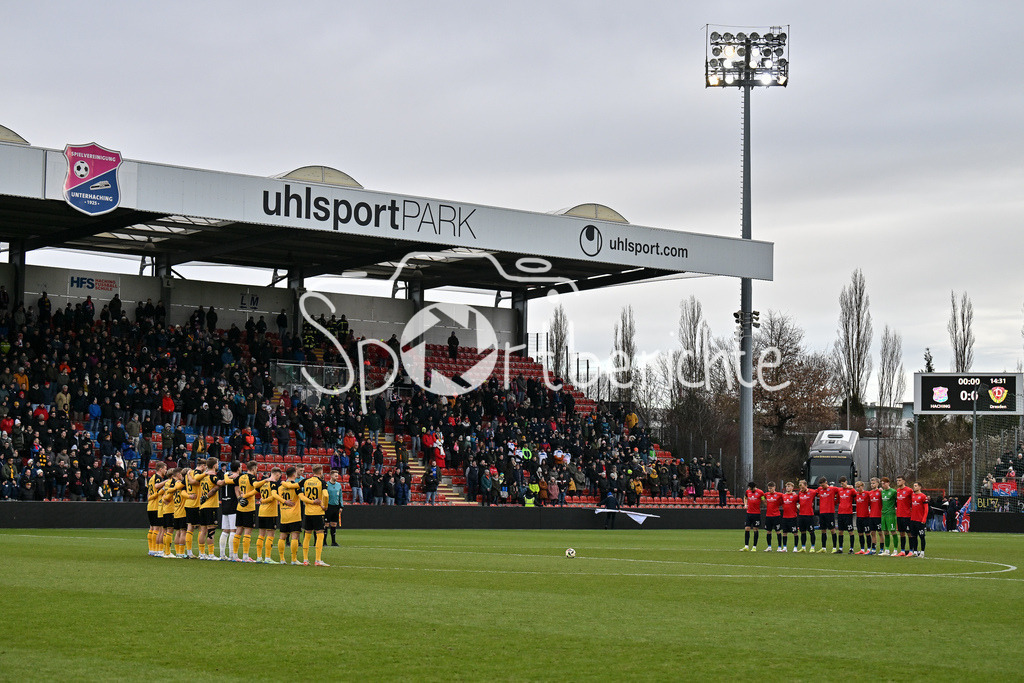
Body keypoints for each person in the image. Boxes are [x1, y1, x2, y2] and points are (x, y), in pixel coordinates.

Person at [298, 464, 330, 566]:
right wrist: (324, 505)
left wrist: (310, 501)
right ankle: (318, 560)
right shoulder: (322, 482)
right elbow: (325, 495)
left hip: (307, 512)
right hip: (318, 512)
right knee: (320, 534)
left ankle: (305, 560)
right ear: (320, 472)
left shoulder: (306, 481)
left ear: (313, 471)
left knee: (307, 535)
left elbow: (298, 492)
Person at [255, 467, 286, 564]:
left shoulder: (264, 483)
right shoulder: (273, 483)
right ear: (277, 474)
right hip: (270, 512)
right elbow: (273, 497)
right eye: (279, 476)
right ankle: (267, 557)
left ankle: (259, 557)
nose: (279, 478)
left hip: (261, 511)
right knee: (270, 535)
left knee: (261, 535)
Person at [234, 461, 260, 562]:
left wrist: (240, 497)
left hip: (240, 506)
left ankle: (235, 556)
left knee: (238, 531)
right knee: (247, 532)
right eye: (256, 468)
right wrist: (246, 495)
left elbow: (235, 486)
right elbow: (257, 488)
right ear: (253, 469)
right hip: (249, 507)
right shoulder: (252, 478)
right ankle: (245, 556)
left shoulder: (241, 477)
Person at [277, 466, 302, 565]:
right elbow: (301, 497)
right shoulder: (296, 486)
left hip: (284, 514)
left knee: (282, 536)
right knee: (295, 536)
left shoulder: (280, 487)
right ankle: (294, 559)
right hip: (294, 515)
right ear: (294, 474)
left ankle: (282, 559)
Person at [146, 463, 167, 556]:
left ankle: (151, 549)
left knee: (152, 527)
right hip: (156, 505)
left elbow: (148, 494)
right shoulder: (157, 477)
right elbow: (157, 486)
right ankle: (156, 549)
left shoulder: (151, 478)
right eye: (165, 469)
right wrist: (167, 481)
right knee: (157, 528)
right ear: (161, 469)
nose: (166, 470)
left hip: (150, 505)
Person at [816, 478, 839, 553]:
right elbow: (812, 492)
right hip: (822, 513)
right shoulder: (820, 489)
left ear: (826, 482)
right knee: (823, 530)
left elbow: (841, 491)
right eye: (821, 485)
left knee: (832, 530)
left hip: (830, 512)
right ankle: (823, 548)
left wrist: (835, 502)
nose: (822, 487)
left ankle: (834, 547)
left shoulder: (833, 489)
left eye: (823, 485)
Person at [740, 481, 764, 551]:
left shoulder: (760, 492)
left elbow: (763, 500)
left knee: (755, 529)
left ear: (754, 487)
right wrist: (745, 504)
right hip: (749, 513)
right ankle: (746, 546)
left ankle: (754, 547)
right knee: (747, 528)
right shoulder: (747, 491)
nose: (750, 489)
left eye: (751, 488)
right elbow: (745, 497)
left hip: (756, 513)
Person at [796, 480, 818, 552]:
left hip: (809, 515)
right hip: (801, 515)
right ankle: (803, 547)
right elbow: (797, 501)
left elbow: (820, 492)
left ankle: (812, 547)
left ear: (806, 486)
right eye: (800, 487)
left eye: (802, 487)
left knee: (811, 531)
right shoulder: (800, 493)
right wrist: (798, 505)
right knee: (802, 532)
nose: (801, 489)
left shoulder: (812, 492)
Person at [835, 477, 856, 554]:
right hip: (840, 513)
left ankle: (851, 548)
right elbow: (837, 501)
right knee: (840, 531)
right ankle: (840, 548)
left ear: (846, 482)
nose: (842, 484)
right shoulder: (839, 491)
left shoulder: (851, 490)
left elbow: (857, 496)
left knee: (850, 531)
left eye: (843, 483)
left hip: (848, 513)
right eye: (841, 483)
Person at [894, 476, 914, 557]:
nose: (898, 482)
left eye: (899, 480)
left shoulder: (909, 490)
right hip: (899, 515)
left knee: (909, 533)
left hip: (907, 515)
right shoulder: (897, 491)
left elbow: (914, 500)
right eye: (897, 480)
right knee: (901, 533)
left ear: (904, 481)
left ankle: (911, 550)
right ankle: (902, 550)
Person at [878, 477, 898, 556]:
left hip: (891, 514)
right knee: (885, 532)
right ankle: (887, 550)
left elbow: (898, 501)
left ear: (888, 483)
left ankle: (895, 550)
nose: (883, 485)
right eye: (882, 483)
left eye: (884, 483)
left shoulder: (893, 491)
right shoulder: (882, 492)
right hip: (884, 514)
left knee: (893, 531)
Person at [909, 482, 929, 557]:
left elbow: (926, 509)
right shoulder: (912, 496)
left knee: (922, 536)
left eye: (916, 486)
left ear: (920, 487)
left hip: (920, 520)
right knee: (914, 536)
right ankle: (915, 551)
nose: (914, 487)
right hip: (912, 520)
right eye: (913, 486)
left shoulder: (923, 496)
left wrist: (924, 519)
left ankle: (922, 551)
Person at [762, 482, 783, 552]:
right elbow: (762, 497)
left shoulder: (779, 494)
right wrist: (765, 503)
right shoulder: (766, 494)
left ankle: (779, 547)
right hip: (768, 516)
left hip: (776, 515)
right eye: (769, 488)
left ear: (774, 487)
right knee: (768, 531)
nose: (770, 489)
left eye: (771, 488)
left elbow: (785, 497)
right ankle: (769, 547)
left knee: (778, 531)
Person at [779, 481, 799, 553]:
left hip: (793, 517)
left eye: (789, 486)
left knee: (795, 533)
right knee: (784, 533)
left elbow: (800, 502)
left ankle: (795, 547)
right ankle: (784, 547)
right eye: (787, 486)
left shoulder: (795, 496)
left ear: (792, 488)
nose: (788, 488)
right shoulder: (783, 496)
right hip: (785, 517)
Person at [853, 481, 871, 554]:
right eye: (857, 487)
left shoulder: (867, 494)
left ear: (863, 486)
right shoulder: (856, 495)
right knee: (860, 533)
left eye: (859, 486)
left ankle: (869, 549)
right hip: (858, 517)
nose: (858, 488)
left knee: (867, 533)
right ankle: (862, 549)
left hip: (866, 517)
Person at [326, 469, 343, 546]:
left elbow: (340, 496)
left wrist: (341, 506)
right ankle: (324, 541)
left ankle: (333, 541)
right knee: (326, 524)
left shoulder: (339, 485)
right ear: (331, 476)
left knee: (334, 524)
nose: (337, 477)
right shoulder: (326, 485)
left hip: (336, 507)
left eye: (337, 476)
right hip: (328, 506)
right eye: (335, 476)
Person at [867, 477, 883, 554]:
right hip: (871, 515)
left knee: (880, 532)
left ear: (877, 484)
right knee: (872, 532)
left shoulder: (880, 492)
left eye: (874, 483)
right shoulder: (869, 493)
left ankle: (882, 549)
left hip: (879, 515)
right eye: (871, 483)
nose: (872, 485)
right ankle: (873, 549)